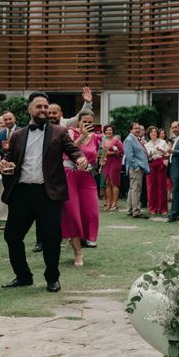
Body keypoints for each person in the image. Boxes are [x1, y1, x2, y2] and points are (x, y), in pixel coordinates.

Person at [0, 92, 88, 293]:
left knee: (51, 238)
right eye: (39, 106)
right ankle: (23, 276)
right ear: (29, 109)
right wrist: (3, 165)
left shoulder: (59, 132)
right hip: (21, 193)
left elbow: (73, 150)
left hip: (48, 194)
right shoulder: (17, 135)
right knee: (12, 236)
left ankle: (52, 278)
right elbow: (8, 158)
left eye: (46, 106)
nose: (43, 110)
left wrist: (80, 159)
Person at [61, 111, 102, 267]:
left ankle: (84, 238)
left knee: (91, 213)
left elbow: (95, 157)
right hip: (70, 175)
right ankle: (77, 252)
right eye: (84, 121)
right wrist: (82, 137)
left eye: (90, 121)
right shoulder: (71, 132)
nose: (87, 124)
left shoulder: (96, 138)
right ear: (78, 122)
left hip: (86, 176)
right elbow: (67, 150)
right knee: (73, 214)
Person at [123, 122, 150, 219]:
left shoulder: (135, 139)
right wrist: (136, 167)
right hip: (135, 168)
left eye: (138, 128)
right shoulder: (129, 140)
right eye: (135, 128)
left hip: (138, 168)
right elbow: (129, 156)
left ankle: (130, 209)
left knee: (133, 189)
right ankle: (136, 211)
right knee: (136, 189)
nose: (137, 130)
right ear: (130, 130)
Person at [145, 125, 168, 215]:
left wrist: (161, 149)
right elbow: (147, 155)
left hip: (161, 163)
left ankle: (162, 208)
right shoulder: (146, 144)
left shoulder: (162, 142)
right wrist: (152, 152)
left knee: (162, 186)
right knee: (151, 186)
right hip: (151, 164)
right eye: (151, 132)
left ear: (157, 133)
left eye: (155, 132)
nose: (153, 133)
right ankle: (152, 208)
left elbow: (167, 152)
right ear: (149, 134)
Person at [100, 124, 124, 211]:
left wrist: (113, 152)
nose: (108, 132)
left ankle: (115, 203)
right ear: (104, 132)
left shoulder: (117, 141)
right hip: (106, 163)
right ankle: (109, 203)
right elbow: (102, 153)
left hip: (115, 163)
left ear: (113, 131)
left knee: (114, 182)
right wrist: (101, 162)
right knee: (107, 182)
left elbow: (121, 152)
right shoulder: (104, 141)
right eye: (107, 130)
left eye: (110, 130)